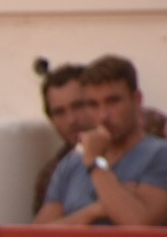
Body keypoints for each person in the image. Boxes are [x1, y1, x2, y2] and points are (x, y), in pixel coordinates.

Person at [36, 55, 167, 227]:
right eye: (93, 105)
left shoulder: (159, 155)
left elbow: (138, 224)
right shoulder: (71, 164)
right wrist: (92, 212)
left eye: (113, 101)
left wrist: (95, 163)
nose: (103, 115)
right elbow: (38, 236)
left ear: (137, 100)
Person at [31, 59, 96, 214]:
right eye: (59, 112)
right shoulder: (52, 174)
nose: (71, 120)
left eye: (78, 106)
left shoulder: (146, 133)